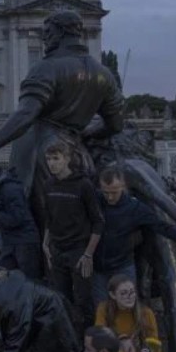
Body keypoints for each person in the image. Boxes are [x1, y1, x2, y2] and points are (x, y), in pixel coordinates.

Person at [0, 10, 124, 234]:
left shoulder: (46, 67)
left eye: (48, 33)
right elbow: (115, 125)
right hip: (78, 151)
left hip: (41, 151)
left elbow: (25, 115)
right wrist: (86, 133)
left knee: (31, 219)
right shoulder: (104, 74)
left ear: (60, 33)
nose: (44, 38)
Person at [92, 167, 176, 305]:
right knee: (101, 309)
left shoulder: (135, 208)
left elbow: (161, 226)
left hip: (123, 266)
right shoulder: (95, 200)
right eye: (106, 192)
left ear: (123, 186)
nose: (110, 197)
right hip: (99, 269)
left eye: (114, 192)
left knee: (127, 308)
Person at [41, 141, 104, 332]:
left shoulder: (83, 185)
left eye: (56, 159)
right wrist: (45, 244)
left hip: (79, 250)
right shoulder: (48, 184)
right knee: (62, 299)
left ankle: (89, 341)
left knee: (83, 300)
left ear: (67, 159)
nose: (52, 163)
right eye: (49, 159)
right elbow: (49, 217)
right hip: (57, 250)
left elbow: (98, 222)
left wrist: (88, 254)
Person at [94, 274, 176, 352]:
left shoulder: (146, 313)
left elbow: (154, 351)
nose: (129, 297)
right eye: (124, 293)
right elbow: (102, 344)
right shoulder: (104, 309)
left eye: (132, 292)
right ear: (112, 295)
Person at [0, 163, 42, 279]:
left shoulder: (10, 188)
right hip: (9, 241)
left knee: (29, 280)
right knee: (8, 278)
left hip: (25, 240)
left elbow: (16, 218)